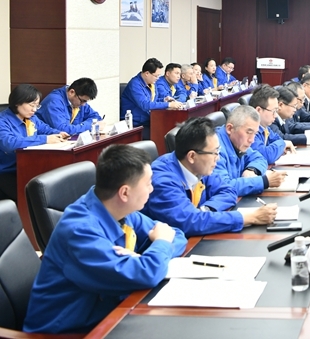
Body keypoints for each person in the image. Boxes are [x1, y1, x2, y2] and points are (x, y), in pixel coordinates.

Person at [23, 144, 187, 334]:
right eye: (148, 183)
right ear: (124, 192)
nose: (152, 188)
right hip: (67, 333)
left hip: (111, 315)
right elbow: (148, 272)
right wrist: (159, 245)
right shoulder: (80, 232)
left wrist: (148, 255)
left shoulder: (120, 209)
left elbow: (176, 235)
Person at [143, 117, 278, 236]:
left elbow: (228, 190)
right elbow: (189, 222)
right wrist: (249, 217)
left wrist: (206, 210)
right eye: (214, 153)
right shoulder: (163, 179)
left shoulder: (200, 166)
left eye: (218, 151)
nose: (217, 158)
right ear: (192, 156)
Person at [0, 84, 69, 200]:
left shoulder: (31, 118)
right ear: (17, 102)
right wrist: (45, 139)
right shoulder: (2, 121)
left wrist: (59, 133)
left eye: (37, 106)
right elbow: (9, 143)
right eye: (31, 105)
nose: (34, 110)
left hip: (30, 166)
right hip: (8, 171)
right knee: (33, 199)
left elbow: (45, 129)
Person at [213, 105, 286, 196]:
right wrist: (264, 181)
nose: (252, 140)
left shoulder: (238, 142)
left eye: (255, 134)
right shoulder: (214, 149)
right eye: (249, 132)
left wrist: (252, 169)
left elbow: (260, 158)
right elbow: (224, 187)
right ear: (230, 128)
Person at [120, 58, 182, 138]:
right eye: (156, 76)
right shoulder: (135, 84)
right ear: (147, 73)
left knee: (172, 129)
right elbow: (145, 104)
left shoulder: (152, 83)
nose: (158, 78)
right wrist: (168, 104)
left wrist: (164, 100)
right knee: (162, 134)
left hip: (149, 120)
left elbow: (153, 101)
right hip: (136, 124)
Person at [38, 77, 104, 135]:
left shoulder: (79, 100)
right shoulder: (54, 102)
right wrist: (90, 126)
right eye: (82, 101)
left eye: (86, 101)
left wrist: (83, 126)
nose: (83, 104)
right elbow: (63, 130)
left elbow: (96, 117)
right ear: (71, 92)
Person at [249, 85, 293, 162]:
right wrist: (283, 144)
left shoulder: (265, 127)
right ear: (258, 110)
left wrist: (280, 144)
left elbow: (278, 139)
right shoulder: (249, 130)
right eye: (273, 111)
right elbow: (267, 155)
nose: (275, 115)